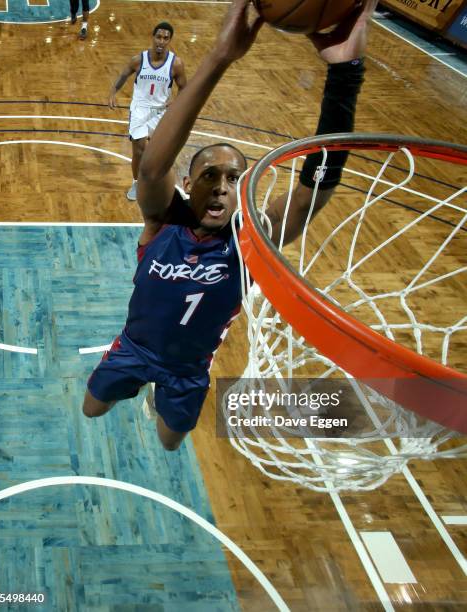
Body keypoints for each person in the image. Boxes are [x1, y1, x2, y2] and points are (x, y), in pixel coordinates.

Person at [83, 0, 377, 451]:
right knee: (92, 408)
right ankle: (137, 386)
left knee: (168, 442)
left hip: (188, 370)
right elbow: (150, 170)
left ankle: (159, 401)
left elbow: (311, 193)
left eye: (234, 178)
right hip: (134, 349)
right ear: (187, 183)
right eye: (209, 176)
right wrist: (219, 57)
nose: (222, 187)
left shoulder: (250, 241)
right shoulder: (163, 221)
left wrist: (345, 73)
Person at [108, 23, 187, 201]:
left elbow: (184, 88)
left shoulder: (176, 64)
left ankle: (158, 181)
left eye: (166, 38)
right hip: (139, 109)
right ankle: (137, 182)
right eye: (158, 37)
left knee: (160, 152)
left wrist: (175, 103)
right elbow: (123, 75)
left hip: (160, 111)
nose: (161, 41)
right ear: (152, 37)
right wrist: (113, 92)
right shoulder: (138, 60)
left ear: (170, 40)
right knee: (139, 150)